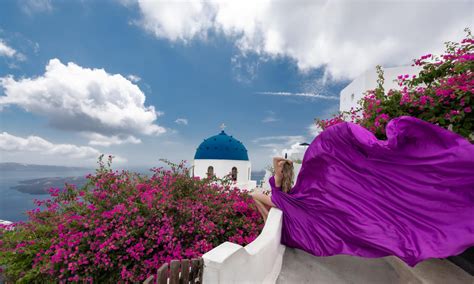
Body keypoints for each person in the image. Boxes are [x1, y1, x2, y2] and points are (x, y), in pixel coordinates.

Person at [252, 116, 474, 267]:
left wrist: (269, 206)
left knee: (253, 196)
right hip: (289, 201)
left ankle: (265, 227)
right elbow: (277, 165)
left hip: (287, 204)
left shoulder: (285, 190)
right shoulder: (293, 189)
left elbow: (256, 192)